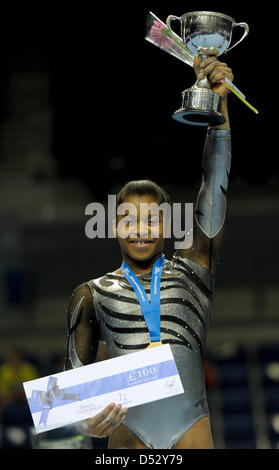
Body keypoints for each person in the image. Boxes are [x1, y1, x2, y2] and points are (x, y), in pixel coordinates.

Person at [64, 53, 233, 449]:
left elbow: (215, 183)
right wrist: (84, 422)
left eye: (152, 220)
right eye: (129, 221)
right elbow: (70, 396)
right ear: (114, 227)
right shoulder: (91, 294)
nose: (140, 230)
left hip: (191, 432)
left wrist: (219, 110)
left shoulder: (192, 274)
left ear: (168, 225)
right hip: (127, 442)